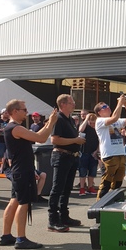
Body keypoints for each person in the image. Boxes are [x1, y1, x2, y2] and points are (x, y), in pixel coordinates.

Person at [0, 101, 58, 249]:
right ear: (14, 111)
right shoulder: (16, 128)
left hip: (21, 169)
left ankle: (6, 235)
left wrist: (47, 124)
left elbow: (38, 135)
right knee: (23, 203)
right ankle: (21, 238)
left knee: (14, 200)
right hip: (22, 171)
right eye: (24, 109)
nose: (27, 112)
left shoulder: (12, 128)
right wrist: (50, 123)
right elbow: (40, 138)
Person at [48, 94, 86, 232]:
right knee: (57, 189)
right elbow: (55, 140)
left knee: (66, 189)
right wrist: (75, 140)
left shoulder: (69, 119)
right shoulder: (58, 118)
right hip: (61, 156)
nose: (74, 104)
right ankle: (52, 220)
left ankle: (64, 216)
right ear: (63, 104)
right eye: (71, 102)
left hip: (71, 157)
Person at [94, 95, 126, 199]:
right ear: (99, 112)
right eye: (104, 107)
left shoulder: (116, 120)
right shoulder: (99, 121)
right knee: (106, 183)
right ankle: (99, 205)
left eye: (107, 106)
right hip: (109, 155)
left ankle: (113, 202)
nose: (107, 107)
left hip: (120, 154)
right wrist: (120, 103)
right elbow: (114, 118)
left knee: (117, 184)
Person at [78, 113, 99, 196]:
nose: (92, 125)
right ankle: (82, 188)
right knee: (82, 170)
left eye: (94, 123)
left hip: (93, 152)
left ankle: (90, 187)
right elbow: (80, 129)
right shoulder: (86, 127)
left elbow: (100, 140)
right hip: (84, 151)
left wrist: (97, 151)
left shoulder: (97, 128)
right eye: (91, 123)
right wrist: (86, 119)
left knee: (92, 171)